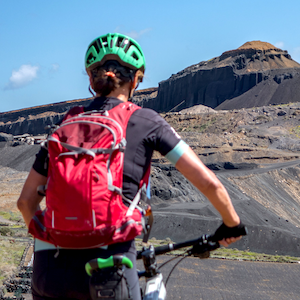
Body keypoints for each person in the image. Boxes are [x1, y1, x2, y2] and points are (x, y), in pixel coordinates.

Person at [17, 33, 245, 300]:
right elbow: (209, 182)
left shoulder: (65, 125)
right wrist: (232, 224)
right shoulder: (145, 121)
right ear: (136, 79)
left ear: (92, 80)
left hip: (50, 274)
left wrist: (53, 237)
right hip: (108, 271)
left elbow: (25, 202)